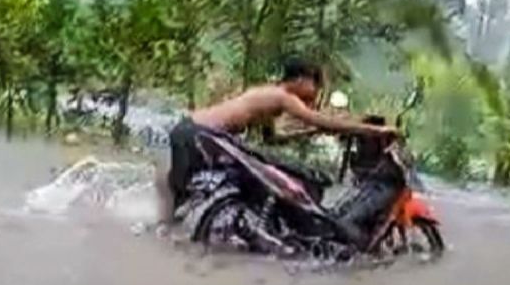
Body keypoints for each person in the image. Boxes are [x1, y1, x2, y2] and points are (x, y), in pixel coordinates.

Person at [156, 57, 398, 222]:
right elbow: (318, 120)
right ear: (301, 80)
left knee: (178, 202)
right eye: (315, 86)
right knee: (180, 204)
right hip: (200, 134)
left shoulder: (268, 96)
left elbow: (273, 139)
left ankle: (173, 244)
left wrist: (311, 133)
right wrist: (372, 131)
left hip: (190, 129)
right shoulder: (282, 96)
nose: (315, 95)